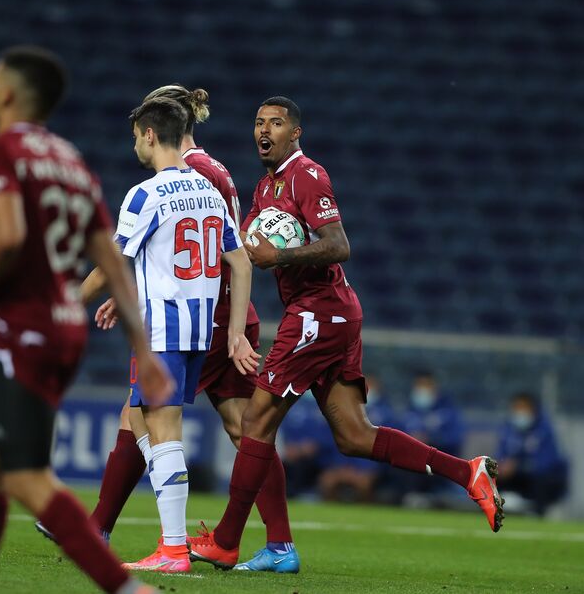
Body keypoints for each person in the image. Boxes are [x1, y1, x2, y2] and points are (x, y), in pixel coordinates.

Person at [188, 96, 504, 571]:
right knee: (355, 436)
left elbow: (339, 245)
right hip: (327, 314)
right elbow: (249, 242)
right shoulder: (265, 187)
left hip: (319, 312)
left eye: (275, 123)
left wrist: (281, 257)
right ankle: (467, 473)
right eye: (258, 122)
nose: (264, 130)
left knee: (255, 422)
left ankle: (229, 541)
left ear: (295, 132)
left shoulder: (307, 175)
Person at [38, 84, 300, 574]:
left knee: (158, 428)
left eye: (137, 134)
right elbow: (236, 259)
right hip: (211, 324)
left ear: (154, 133)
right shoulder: (208, 181)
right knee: (199, 425)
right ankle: (139, 534)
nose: (134, 143)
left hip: (179, 324)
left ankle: (166, 545)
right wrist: (235, 330)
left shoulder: (158, 187)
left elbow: (121, 258)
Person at [0, 45, 171, 594]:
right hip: (63, 327)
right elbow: (111, 261)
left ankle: (126, 590)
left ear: (6, 93)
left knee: (24, 474)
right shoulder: (70, 161)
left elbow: (5, 236)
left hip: (22, 329)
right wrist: (143, 351)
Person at [318, 374, 399, 503]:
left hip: (367, 468)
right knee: (327, 480)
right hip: (341, 466)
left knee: (364, 483)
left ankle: (366, 510)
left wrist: (361, 470)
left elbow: (385, 447)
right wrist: (342, 468)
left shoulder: (386, 414)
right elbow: (334, 442)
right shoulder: (343, 409)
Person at [495, 393, 568, 516]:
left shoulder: (544, 430)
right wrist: (500, 467)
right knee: (492, 478)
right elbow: (500, 455)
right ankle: (493, 513)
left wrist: (518, 466)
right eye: (517, 408)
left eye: (523, 408)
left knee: (542, 481)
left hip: (538, 478)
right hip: (514, 477)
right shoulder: (508, 429)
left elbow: (546, 462)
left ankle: (536, 514)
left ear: (533, 410)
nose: (520, 413)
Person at [400, 371, 467, 505]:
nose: (422, 390)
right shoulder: (409, 412)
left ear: (434, 387)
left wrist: (431, 439)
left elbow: (455, 438)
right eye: (419, 385)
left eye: (426, 385)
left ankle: (436, 497)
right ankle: (412, 496)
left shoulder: (448, 411)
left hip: (439, 460)